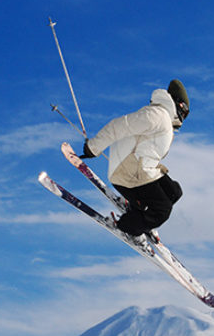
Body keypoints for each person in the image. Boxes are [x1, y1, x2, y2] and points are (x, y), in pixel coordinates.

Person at [80, 79, 190, 238]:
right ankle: (127, 228)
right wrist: (94, 147)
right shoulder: (157, 115)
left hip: (139, 171)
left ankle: (139, 214)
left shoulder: (163, 118)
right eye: (185, 113)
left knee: (174, 192)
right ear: (179, 105)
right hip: (128, 173)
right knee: (162, 211)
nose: (184, 118)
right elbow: (118, 126)